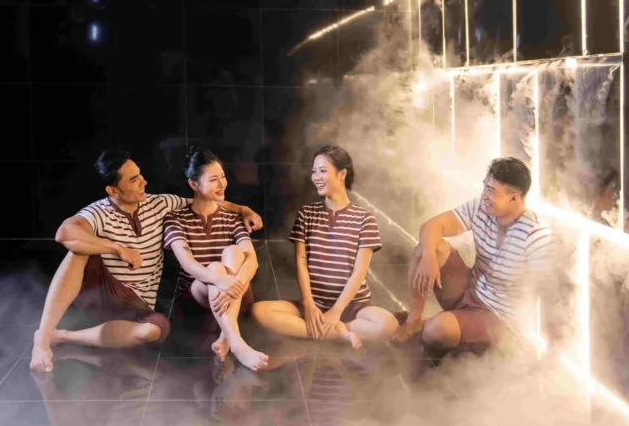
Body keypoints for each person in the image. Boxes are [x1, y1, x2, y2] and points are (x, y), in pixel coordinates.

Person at [29, 149, 262, 372]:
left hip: (138, 303)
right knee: (77, 250)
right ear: (113, 190)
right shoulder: (98, 212)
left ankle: (64, 336)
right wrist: (117, 248)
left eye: (140, 175)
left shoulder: (160, 204)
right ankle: (43, 338)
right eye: (134, 180)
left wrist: (243, 210)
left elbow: (204, 199)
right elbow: (64, 233)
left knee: (154, 330)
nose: (144, 182)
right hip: (104, 290)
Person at [392, 157, 557, 349]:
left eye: (491, 191)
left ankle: (431, 325)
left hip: (497, 317)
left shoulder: (535, 235)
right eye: (485, 187)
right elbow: (432, 226)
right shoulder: (481, 208)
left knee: (435, 330)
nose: (484, 196)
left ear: (514, 198)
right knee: (428, 247)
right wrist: (429, 258)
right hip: (470, 289)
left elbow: (549, 293)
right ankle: (414, 320)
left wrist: (551, 351)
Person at [251, 145, 399, 348]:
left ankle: (328, 328)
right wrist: (309, 306)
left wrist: (336, 311)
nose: (316, 177)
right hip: (314, 303)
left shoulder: (364, 218)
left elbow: (359, 272)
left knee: (388, 324)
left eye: (322, 171)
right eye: (314, 171)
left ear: (342, 174)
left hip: (353, 306)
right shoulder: (306, 214)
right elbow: (301, 263)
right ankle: (340, 333)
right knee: (259, 311)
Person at [163, 147, 269, 371]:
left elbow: (252, 261)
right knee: (215, 267)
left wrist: (234, 283)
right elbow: (187, 264)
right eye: (213, 179)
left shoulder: (233, 217)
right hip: (197, 296)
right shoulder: (175, 218)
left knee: (235, 252)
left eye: (222, 176)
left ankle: (227, 337)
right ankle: (238, 344)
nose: (222, 184)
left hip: (236, 293)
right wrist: (220, 279)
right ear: (194, 185)